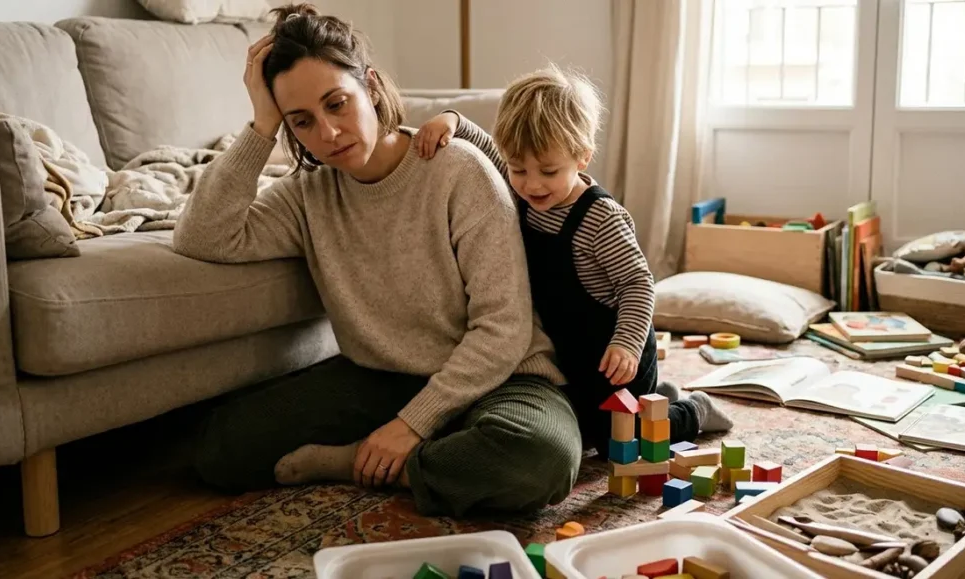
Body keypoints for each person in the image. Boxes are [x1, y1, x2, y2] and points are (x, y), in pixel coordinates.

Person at [172, 3, 582, 517]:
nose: (328, 133)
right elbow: (202, 237)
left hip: (501, 376)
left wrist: (412, 425)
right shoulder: (307, 194)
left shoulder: (457, 170)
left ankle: (362, 463)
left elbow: (504, 328)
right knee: (221, 451)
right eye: (302, 121)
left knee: (540, 459)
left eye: (337, 103)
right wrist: (261, 125)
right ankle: (429, 458)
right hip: (381, 379)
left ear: (369, 85)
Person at [415, 65, 733, 457]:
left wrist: (628, 345)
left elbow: (637, 285)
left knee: (620, 438)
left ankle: (692, 411)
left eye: (549, 171)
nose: (531, 184)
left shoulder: (601, 220)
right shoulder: (525, 188)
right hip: (567, 353)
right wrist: (453, 121)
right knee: (573, 430)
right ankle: (657, 399)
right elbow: (487, 150)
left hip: (614, 354)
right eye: (519, 169)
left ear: (582, 157)